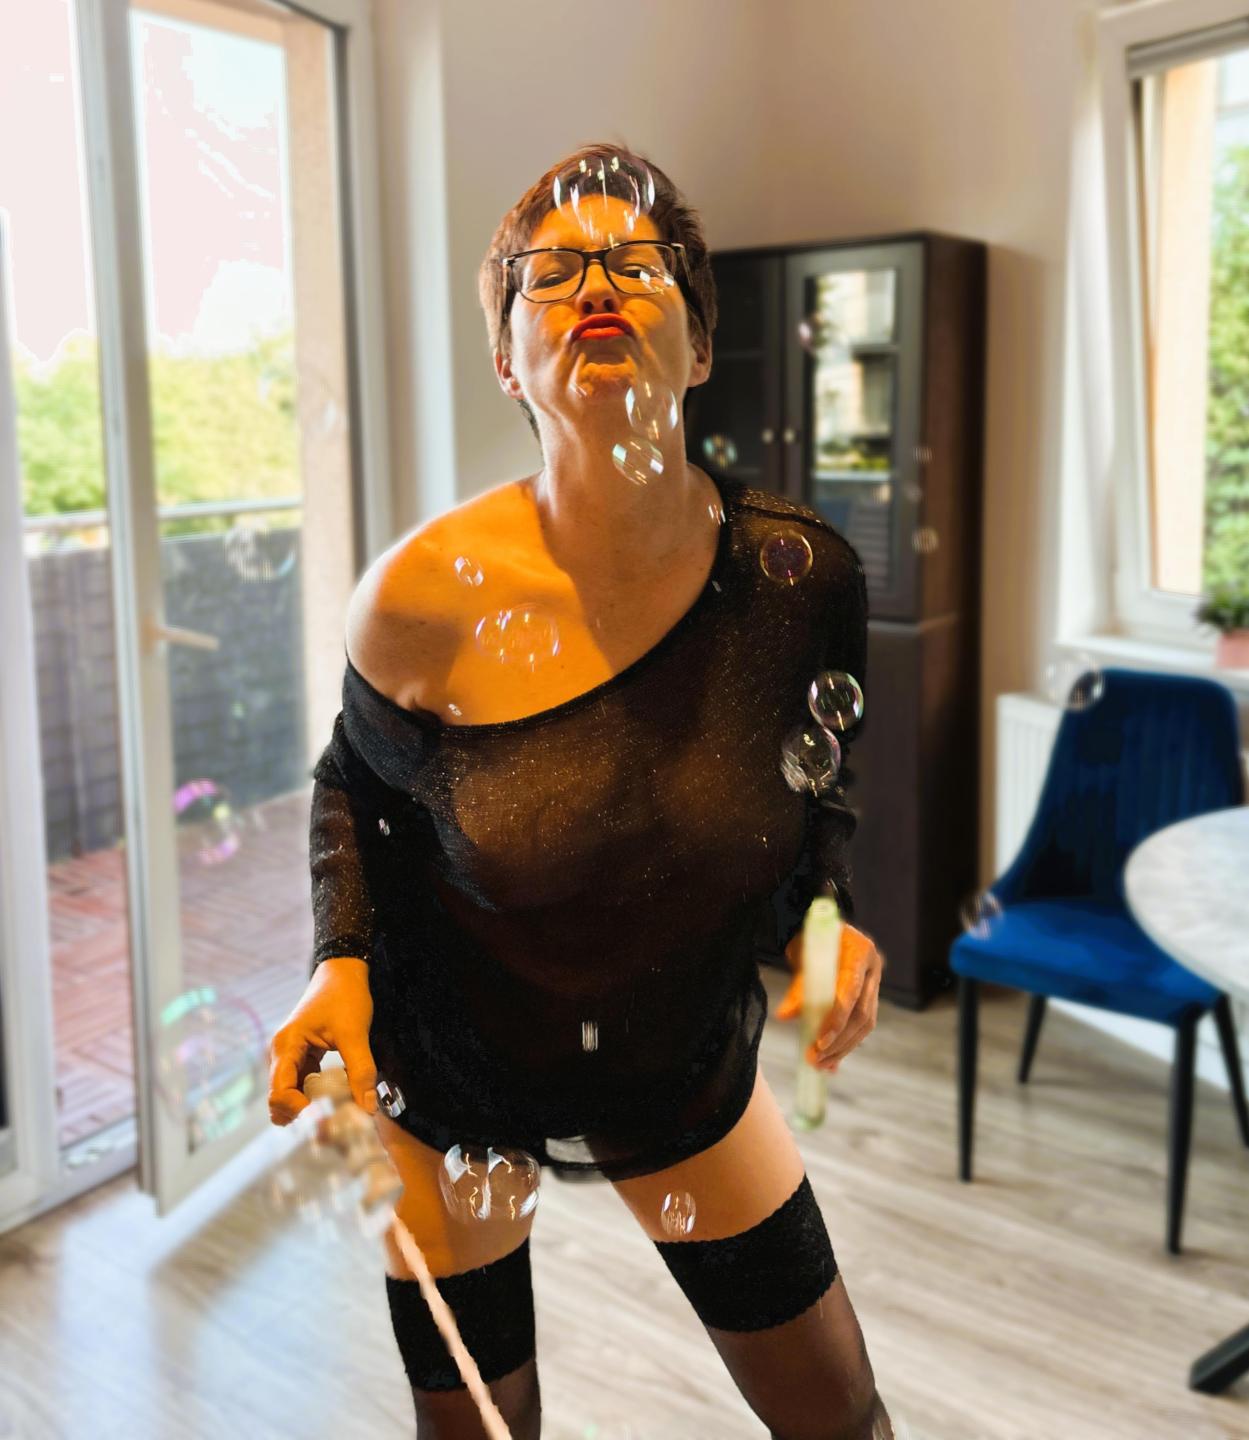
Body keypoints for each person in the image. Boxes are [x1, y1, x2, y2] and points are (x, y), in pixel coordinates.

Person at [268, 142, 892, 1440]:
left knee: (840, 1416)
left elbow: (810, 784)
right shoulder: (418, 599)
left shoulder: (801, 582)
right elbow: (351, 786)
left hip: (673, 1050)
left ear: (701, 345)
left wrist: (824, 915)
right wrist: (342, 965)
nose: (595, 283)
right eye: (549, 275)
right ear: (508, 362)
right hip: (453, 1069)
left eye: (635, 263)